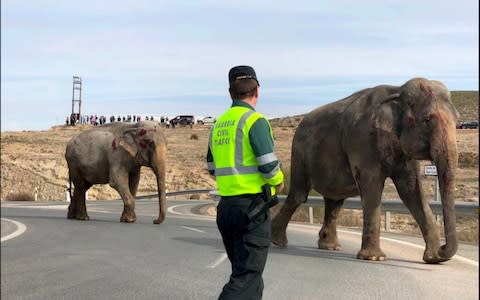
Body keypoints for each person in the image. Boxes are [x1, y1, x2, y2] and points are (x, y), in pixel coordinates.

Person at [206, 65, 284, 300]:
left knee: (249, 278)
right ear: (257, 90)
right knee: (247, 276)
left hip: (226, 209)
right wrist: (279, 181)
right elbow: (269, 167)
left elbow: (212, 168)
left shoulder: (218, 125)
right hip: (252, 210)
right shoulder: (255, 121)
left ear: (230, 93)